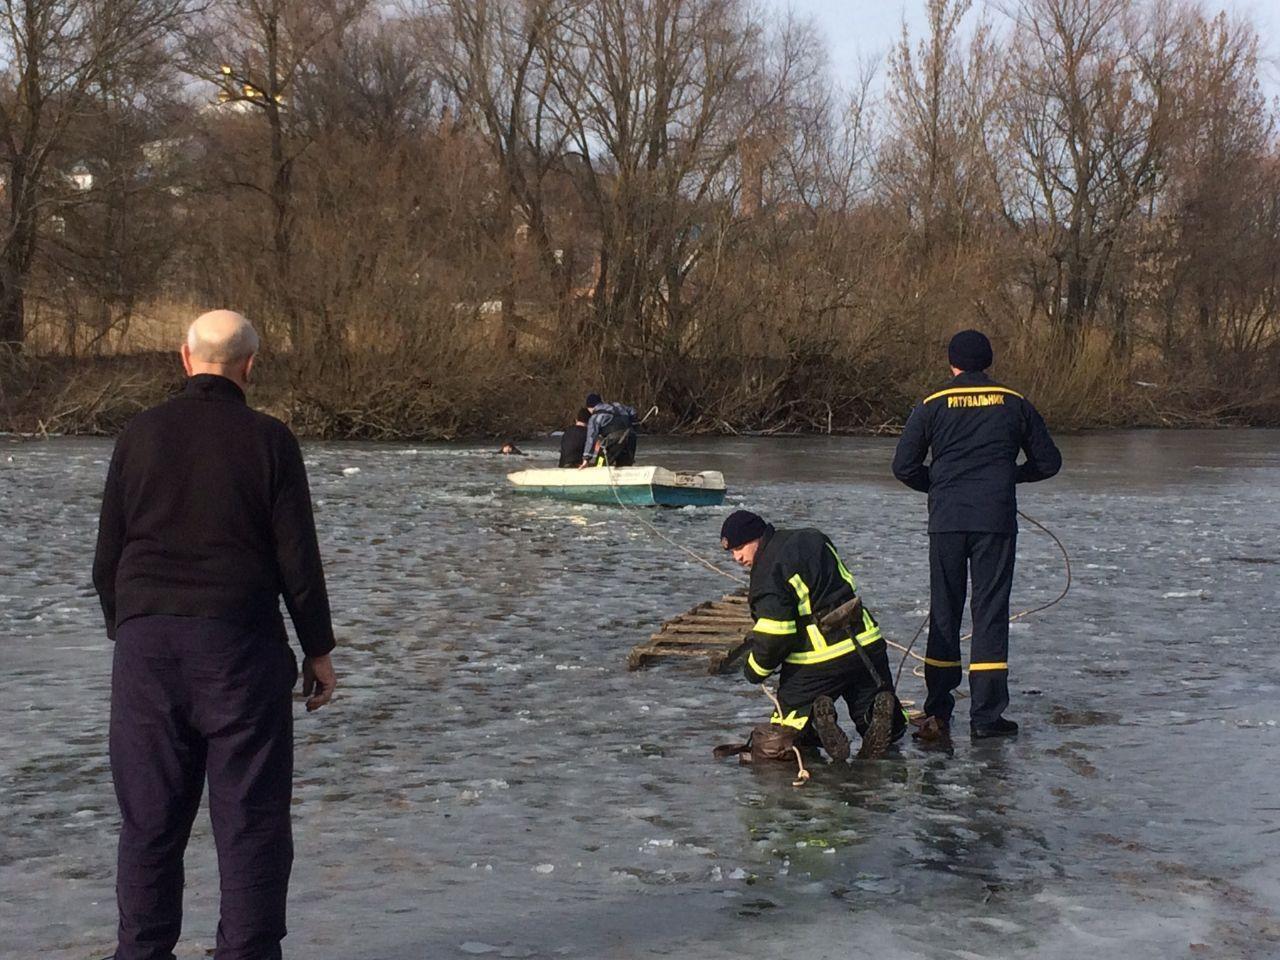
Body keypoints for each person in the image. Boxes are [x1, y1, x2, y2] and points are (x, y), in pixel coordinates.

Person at [92, 309, 338, 960]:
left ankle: (141, 952)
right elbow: (298, 561)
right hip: (239, 647)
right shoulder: (270, 441)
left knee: (149, 822)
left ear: (184, 357)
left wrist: (132, 630)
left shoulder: (139, 434)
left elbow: (107, 558)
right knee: (252, 820)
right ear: (250, 366)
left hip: (148, 647)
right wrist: (318, 649)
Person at [891, 329, 1061, 740]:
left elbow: (903, 466)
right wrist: (1009, 477)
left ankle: (938, 710)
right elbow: (1049, 462)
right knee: (989, 613)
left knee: (944, 611)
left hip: (947, 521)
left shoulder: (931, 404)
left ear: (951, 363)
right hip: (994, 520)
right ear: (988, 362)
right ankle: (986, 717)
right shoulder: (1014, 402)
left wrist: (939, 486)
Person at [720, 510, 907, 761]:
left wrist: (754, 671)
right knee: (881, 719)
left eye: (739, 548)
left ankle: (815, 725)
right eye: (732, 552)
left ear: (757, 537)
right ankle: (879, 716)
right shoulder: (812, 537)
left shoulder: (766, 572)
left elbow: (776, 636)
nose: (737, 557)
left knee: (781, 740)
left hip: (820, 659)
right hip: (867, 643)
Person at [579, 392, 638, 467]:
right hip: (631, 437)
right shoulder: (617, 405)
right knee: (625, 465)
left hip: (615, 440)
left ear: (590, 407)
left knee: (600, 462)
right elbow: (633, 411)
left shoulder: (594, 417)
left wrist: (586, 459)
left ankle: (599, 469)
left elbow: (591, 438)